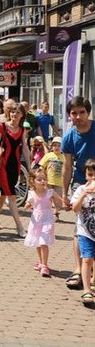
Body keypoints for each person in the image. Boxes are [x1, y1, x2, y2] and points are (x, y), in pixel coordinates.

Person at [61, 96, 95, 291]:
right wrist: (65, 194)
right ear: (69, 115)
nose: (78, 116)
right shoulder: (69, 137)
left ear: (88, 112)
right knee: (80, 227)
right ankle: (77, 268)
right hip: (81, 184)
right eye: (74, 113)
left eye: (82, 112)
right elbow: (67, 167)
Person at [0, 100, 30, 237]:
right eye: (12, 111)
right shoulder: (2, 127)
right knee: (12, 196)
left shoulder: (22, 129)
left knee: (5, 192)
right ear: (9, 113)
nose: (14, 114)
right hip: (4, 166)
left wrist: (30, 167)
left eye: (17, 112)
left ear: (22, 115)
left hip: (16, 165)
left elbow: (24, 148)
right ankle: (19, 227)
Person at [23, 167, 63, 278]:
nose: (42, 181)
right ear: (33, 181)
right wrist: (28, 205)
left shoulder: (50, 192)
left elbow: (60, 201)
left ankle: (45, 265)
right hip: (36, 221)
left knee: (43, 242)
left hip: (47, 220)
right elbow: (26, 207)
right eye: (39, 179)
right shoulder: (31, 194)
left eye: (44, 179)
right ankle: (41, 262)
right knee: (37, 242)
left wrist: (63, 203)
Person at [71, 159, 95, 306]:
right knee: (87, 259)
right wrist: (83, 195)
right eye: (90, 175)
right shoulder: (81, 189)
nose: (92, 179)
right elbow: (75, 209)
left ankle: (93, 283)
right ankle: (86, 289)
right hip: (85, 231)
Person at [40, 136, 65, 219]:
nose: (57, 147)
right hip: (48, 181)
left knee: (57, 200)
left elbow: (67, 169)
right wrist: (41, 176)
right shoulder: (48, 155)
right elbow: (42, 166)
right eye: (55, 145)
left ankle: (56, 213)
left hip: (59, 183)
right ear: (52, 146)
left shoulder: (64, 157)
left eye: (59, 145)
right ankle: (48, 213)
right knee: (47, 198)